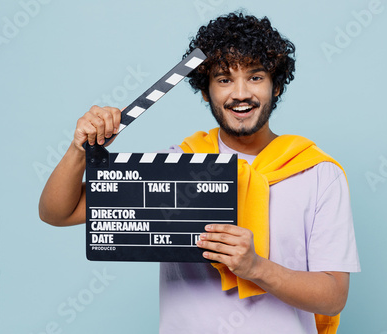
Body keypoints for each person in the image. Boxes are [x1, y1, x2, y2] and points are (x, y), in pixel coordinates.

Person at [39, 12, 360, 334]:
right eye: (223, 79)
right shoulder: (175, 166)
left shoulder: (318, 174)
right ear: (205, 91)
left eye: (256, 77)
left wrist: (255, 267)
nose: (240, 93)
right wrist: (80, 150)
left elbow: (332, 297)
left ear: (276, 86)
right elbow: (58, 212)